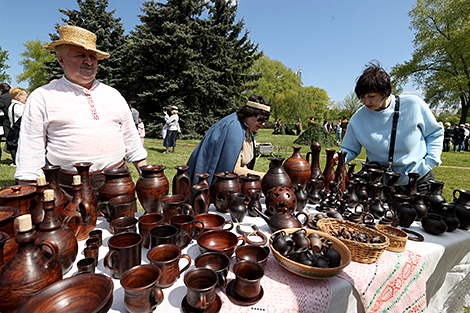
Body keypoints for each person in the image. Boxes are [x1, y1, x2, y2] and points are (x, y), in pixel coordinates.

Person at [14, 25, 147, 198]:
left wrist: (148, 178)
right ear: (61, 60)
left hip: (118, 183)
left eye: (92, 56)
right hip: (68, 188)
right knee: (70, 226)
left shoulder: (113, 94)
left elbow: (132, 141)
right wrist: (28, 198)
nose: (89, 61)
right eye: (80, 55)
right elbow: (30, 152)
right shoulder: (43, 96)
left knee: (121, 225)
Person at [340, 61, 443, 194]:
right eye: (362, 97)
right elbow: (349, 148)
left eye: (372, 96)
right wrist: (340, 158)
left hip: (418, 181)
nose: (366, 102)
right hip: (380, 184)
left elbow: (434, 133)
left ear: (386, 92)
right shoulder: (358, 118)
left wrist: (430, 162)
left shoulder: (414, 105)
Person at [186, 95, 270, 187]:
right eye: (260, 119)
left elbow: (243, 162)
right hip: (208, 186)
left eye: (266, 119)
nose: (263, 123)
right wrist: (268, 177)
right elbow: (231, 170)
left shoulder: (247, 128)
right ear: (249, 113)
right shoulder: (233, 128)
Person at [7, 87, 28, 166]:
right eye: (25, 96)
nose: (27, 99)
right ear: (19, 96)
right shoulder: (17, 107)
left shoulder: (14, 105)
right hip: (18, 133)